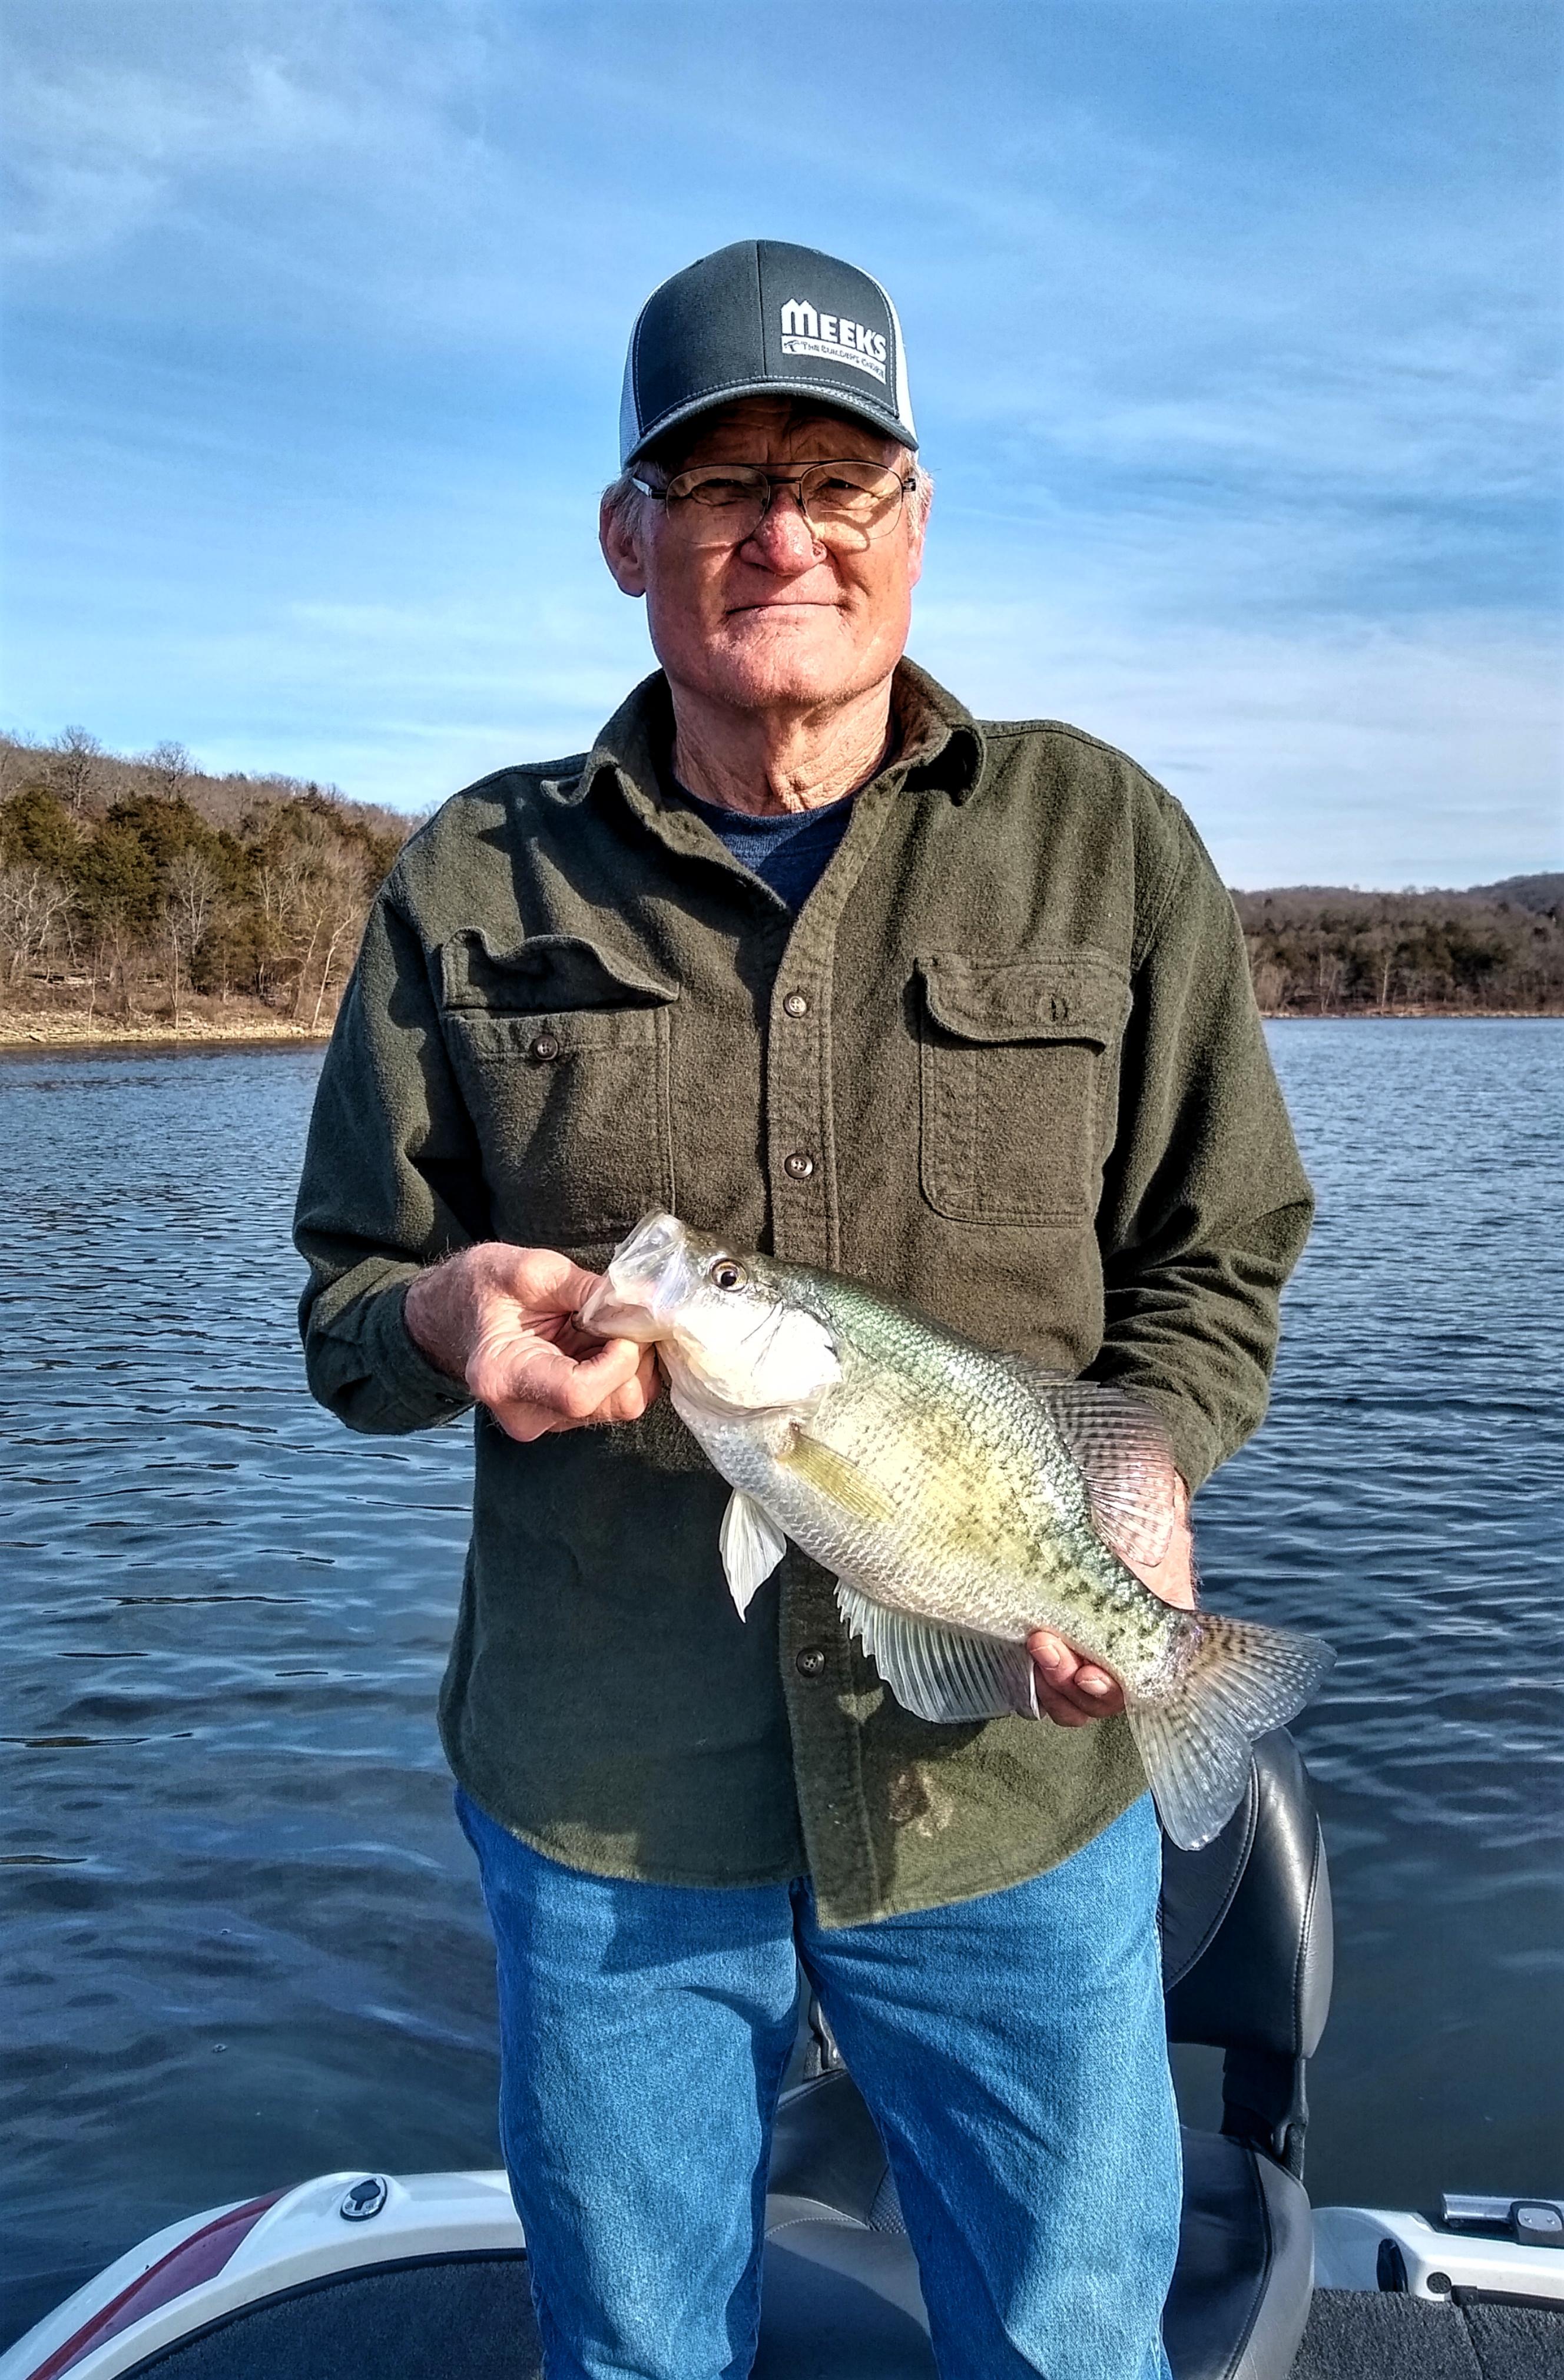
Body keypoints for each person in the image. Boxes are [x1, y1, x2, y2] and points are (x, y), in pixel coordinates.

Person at [294, 238, 1313, 2380]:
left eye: (840, 481)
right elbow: (346, 1299)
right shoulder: (476, 876)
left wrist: (1144, 1476)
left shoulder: (1101, 840)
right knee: (640, 2345)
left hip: (1007, 1808)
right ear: (626, 533)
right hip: (608, 1803)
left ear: (913, 524)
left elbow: (1222, 1252)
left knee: (1068, 2340)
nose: (785, 533)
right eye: (722, 477)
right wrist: (435, 1320)